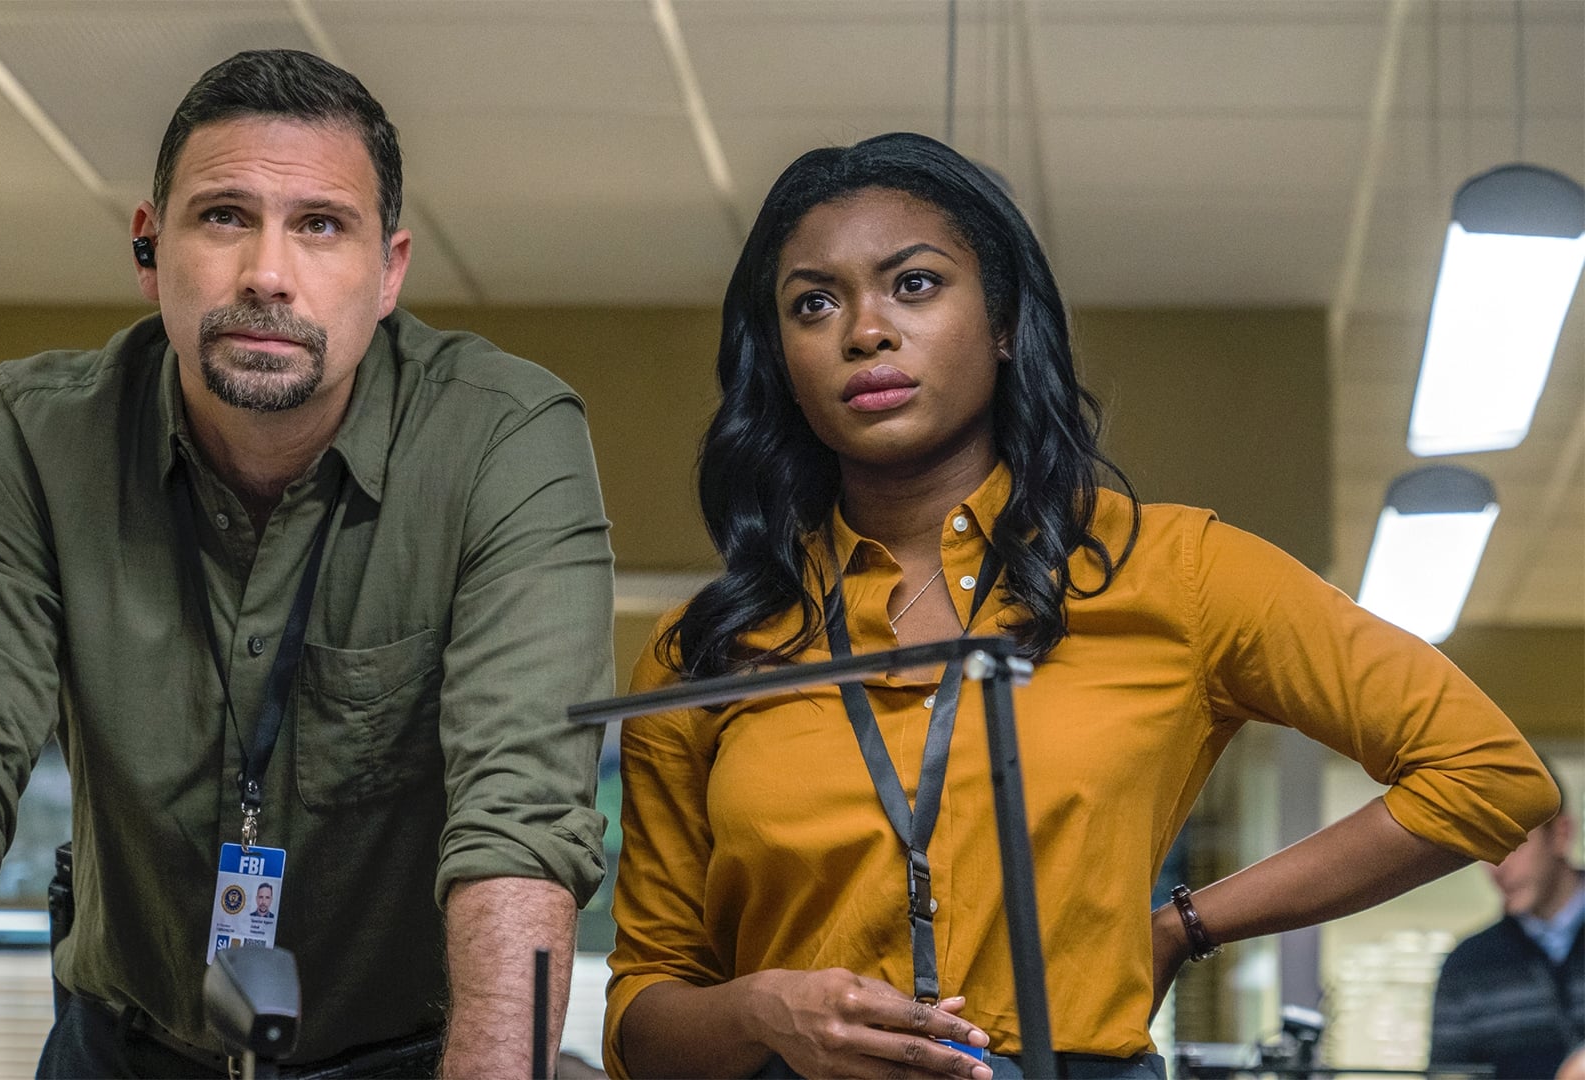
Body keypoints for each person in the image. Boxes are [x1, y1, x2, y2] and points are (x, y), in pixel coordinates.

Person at [602, 133, 1559, 1080]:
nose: (865, 332)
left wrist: (1186, 925)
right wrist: (763, 1012)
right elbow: (643, 1020)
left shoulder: (1175, 571)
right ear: (780, 357)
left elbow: (1487, 777)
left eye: (915, 284)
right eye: (814, 303)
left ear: (1005, 322)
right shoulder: (706, 651)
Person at [0, 50, 613, 1078]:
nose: (266, 273)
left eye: (321, 225)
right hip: (124, 1050)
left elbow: (519, 824)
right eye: (222, 216)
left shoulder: (504, 442)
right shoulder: (37, 439)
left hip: (408, 1057)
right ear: (149, 246)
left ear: (389, 271)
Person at [1431, 763, 1583, 1079]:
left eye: (1511, 844)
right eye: (1483, 849)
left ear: (1561, 834)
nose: (1496, 867)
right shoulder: (1465, 967)